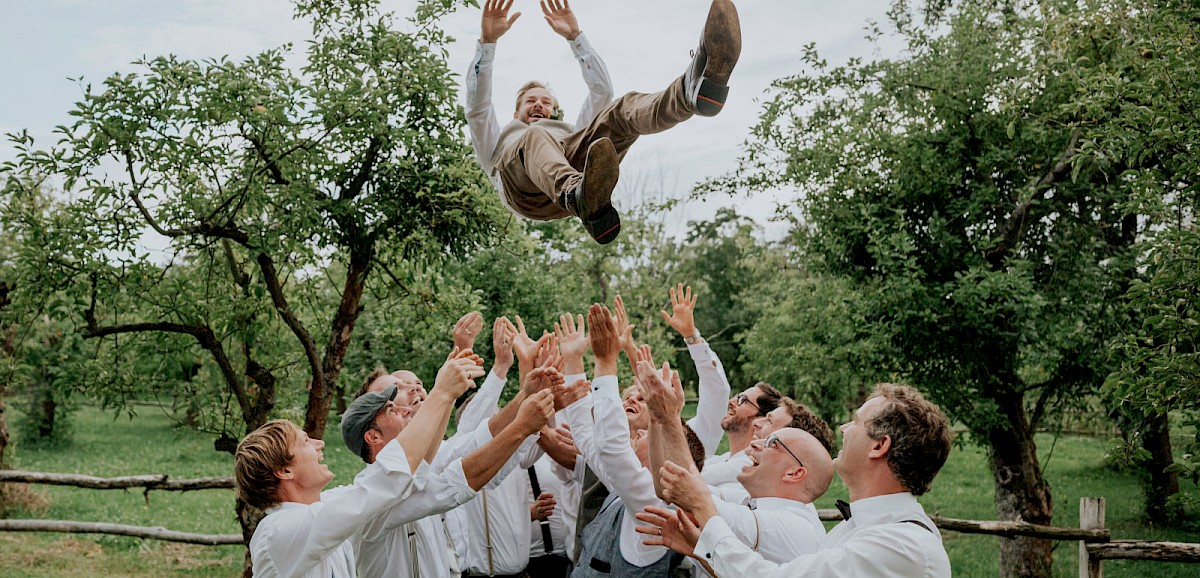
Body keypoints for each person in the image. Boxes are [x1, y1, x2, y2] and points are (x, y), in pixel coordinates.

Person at [466, 0, 742, 244]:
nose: (539, 104)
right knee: (534, 137)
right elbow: (478, 108)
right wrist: (487, 43)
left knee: (620, 110)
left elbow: (602, 93)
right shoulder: (502, 140)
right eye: (530, 101)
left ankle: (691, 93)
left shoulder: (568, 134)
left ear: (554, 112)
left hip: (575, 181)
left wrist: (576, 37)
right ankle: (578, 194)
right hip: (525, 193)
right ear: (516, 115)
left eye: (546, 101)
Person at [638, 384, 954, 578]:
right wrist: (699, 548)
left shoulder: (903, 546)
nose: (843, 428)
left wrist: (702, 506)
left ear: (879, 446)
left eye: (856, 422)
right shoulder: (855, 529)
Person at [234, 353, 486, 578]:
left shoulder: (324, 506)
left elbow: (410, 473)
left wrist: (445, 398)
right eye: (305, 442)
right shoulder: (280, 531)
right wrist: (440, 393)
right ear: (285, 471)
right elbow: (383, 482)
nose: (319, 443)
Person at [342, 377, 557, 578]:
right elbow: (458, 481)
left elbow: (473, 443)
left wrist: (524, 396)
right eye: (392, 410)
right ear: (373, 436)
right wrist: (521, 427)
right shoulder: (375, 493)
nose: (406, 410)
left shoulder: (417, 470)